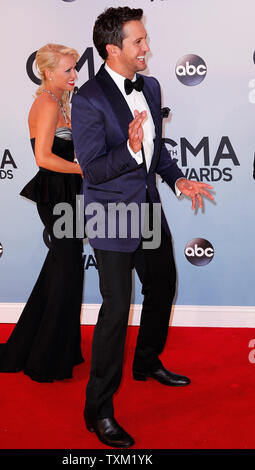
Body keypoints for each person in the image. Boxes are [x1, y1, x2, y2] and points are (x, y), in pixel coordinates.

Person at [71, 7, 214, 448]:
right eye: (139, 42)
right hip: (111, 213)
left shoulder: (150, 85)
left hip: (148, 206)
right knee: (115, 311)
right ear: (113, 49)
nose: (147, 48)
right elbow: (93, 170)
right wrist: (130, 150)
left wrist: (177, 179)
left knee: (163, 283)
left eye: (145, 39)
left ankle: (148, 361)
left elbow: (157, 151)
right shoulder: (88, 98)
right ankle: (98, 410)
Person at [0, 44, 84, 383]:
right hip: (55, 195)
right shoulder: (45, 103)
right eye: (68, 70)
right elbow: (42, 158)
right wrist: (83, 169)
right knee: (69, 269)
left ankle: (44, 346)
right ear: (47, 72)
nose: (75, 75)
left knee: (60, 269)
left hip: (67, 194)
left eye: (75, 68)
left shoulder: (61, 101)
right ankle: (46, 358)